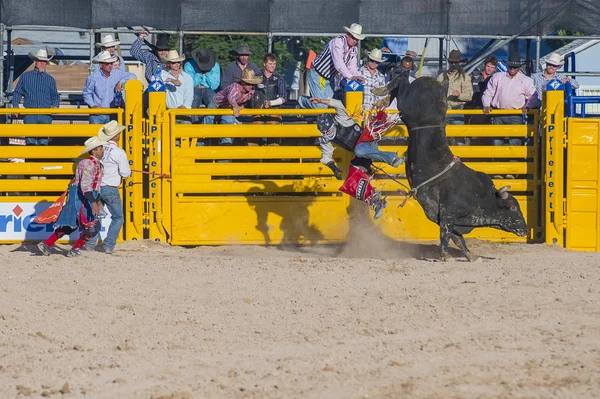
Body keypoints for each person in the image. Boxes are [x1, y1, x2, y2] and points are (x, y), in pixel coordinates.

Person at [311, 96, 403, 220]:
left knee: (359, 150)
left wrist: (322, 101)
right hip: (360, 153)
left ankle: (392, 158)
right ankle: (375, 201)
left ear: (333, 122)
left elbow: (338, 103)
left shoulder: (341, 118)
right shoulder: (325, 139)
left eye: (328, 129)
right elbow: (326, 156)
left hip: (367, 141)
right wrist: (334, 169)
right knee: (351, 180)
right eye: (325, 131)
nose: (327, 133)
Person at [36, 136, 107, 258]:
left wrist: (97, 199)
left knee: (72, 225)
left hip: (84, 196)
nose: (103, 150)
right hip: (83, 197)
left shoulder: (95, 164)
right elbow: (86, 186)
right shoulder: (89, 164)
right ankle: (75, 249)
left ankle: (47, 243)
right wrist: (94, 202)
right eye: (101, 148)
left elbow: (94, 186)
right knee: (93, 226)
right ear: (94, 150)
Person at [85, 121, 132, 254]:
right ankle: (108, 245)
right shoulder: (119, 152)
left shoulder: (98, 148)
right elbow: (125, 173)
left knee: (96, 215)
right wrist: (129, 173)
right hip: (110, 188)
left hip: (97, 187)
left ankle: (90, 243)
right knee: (118, 217)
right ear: (116, 135)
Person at [298, 23, 365, 109]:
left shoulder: (354, 50)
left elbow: (352, 67)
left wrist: (358, 77)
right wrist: (351, 76)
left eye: (357, 39)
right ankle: (302, 101)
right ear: (347, 35)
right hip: (317, 74)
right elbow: (338, 63)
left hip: (330, 78)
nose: (355, 40)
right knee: (320, 106)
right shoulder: (338, 42)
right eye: (353, 37)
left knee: (331, 104)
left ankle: (324, 120)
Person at [482, 53, 538, 152]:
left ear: (519, 68)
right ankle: (499, 163)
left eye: (515, 67)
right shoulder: (497, 77)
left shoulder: (526, 80)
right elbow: (488, 93)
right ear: (508, 66)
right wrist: (486, 105)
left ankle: (514, 164)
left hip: (515, 114)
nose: (512, 69)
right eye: (511, 66)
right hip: (498, 113)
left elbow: (533, 96)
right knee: (497, 142)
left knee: (515, 142)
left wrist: (528, 106)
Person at [11, 49, 60, 146]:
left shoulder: (50, 80)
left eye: (44, 61)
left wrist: (55, 105)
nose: (42, 63)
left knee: (43, 141)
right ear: (35, 61)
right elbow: (17, 92)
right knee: (30, 140)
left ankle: (40, 160)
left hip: (46, 114)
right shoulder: (25, 77)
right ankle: (31, 160)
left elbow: (55, 95)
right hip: (30, 113)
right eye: (40, 61)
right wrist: (15, 105)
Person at [203, 69, 263, 145]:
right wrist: (236, 106)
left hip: (228, 106)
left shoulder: (252, 90)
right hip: (216, 104)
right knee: (208, 125)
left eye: (252, 84)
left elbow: (249, 100)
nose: (250, 86)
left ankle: (225, 144)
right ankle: (202, 144)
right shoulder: (235, 87)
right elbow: (231, 97)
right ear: (243, 82)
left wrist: (242, 105)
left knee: (228, 121)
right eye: (248, 83)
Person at [83, 51, 137, 124]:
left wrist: (120, 82)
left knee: (113, 134)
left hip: (113, 113)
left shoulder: (117, 73)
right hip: (98, 114)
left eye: (111, 63)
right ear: (101, 65)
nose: (110, 65)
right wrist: (93, 105)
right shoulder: (93, 78)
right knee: (97, 134)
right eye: (107, 63)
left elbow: (133, 76)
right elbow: (87, 93)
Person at [246, 53, 288, 146]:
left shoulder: (279, 79)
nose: (273, 66)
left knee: (273, 125)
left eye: (274, 64)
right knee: (255, 126)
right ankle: (253, 155)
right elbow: (249, 93)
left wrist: (271, 103)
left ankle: (272, 156)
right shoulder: (257, 77)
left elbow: (284, 97)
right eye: (270, 64)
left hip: (274, 110)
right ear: (264, 64)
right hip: (258, 109)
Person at [184, 47, 221, 122]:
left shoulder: (216, 66)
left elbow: (214, 86)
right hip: (194, 89)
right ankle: (194, 126)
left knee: (214, 103)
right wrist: (199, 74)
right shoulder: (188, 65)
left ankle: (209, 126)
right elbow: (190, 84)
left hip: (209, 89)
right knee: (192, 104)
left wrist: (208, 74)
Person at [436, 50, 473, 125]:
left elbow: (469, 96)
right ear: (449, 63)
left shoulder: (465, 77)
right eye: (451, 62)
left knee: (457, 134)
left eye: (455, 63)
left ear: (460, 63)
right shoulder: (441, 76)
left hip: (457, 110)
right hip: (443, 110)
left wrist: (459, 95)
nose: (453, 64)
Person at [160, 50, 194, 122]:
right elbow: (154, 82)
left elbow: (189, 95)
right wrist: (172, 80)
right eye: (173, 62)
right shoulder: (162, 75)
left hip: (183, 111)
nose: (176, 64)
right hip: (168, 112)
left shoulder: (187, 77)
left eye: (178, 62)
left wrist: (184, 107)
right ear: (169, 64)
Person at [464, 55, 498, 125]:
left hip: (486, 109)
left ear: (495, 69)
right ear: (484, 65)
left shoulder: (496, 79)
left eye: (492, 67)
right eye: (488, 66)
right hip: (471, 106)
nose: (489, 69)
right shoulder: (473, 75)